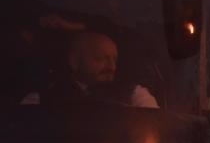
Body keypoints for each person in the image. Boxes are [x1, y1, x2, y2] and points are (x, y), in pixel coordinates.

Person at [21, 30, 158, 107]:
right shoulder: (41, 99)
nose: (111, 66)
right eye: (100, 58)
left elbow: (154, 124)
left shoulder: (134, 93)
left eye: (114, 59)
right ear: (74, 61)